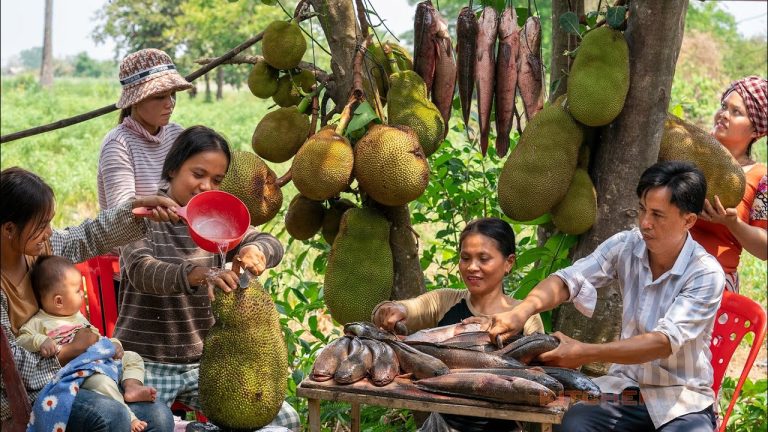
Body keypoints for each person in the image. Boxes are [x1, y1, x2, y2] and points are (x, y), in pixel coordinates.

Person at [468, 161, 725, 431]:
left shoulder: (704, 273)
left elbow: (662, 342)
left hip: (682, 398)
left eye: (657, 215)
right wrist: (522, 311)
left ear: (688, 220)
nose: (645, 223)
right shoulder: (627, 245)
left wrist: (583, 353)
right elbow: (570, 279)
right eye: (642, 209)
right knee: (570, 425)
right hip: (626, 390)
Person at [113, 125, 300, 431]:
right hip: (144, 363)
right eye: (197, 174)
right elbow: (142, 270)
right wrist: (199, 273)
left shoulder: (218, 219)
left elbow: (269, 241)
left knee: (286, 420)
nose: (205, 186)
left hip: (205, 364)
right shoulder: (144, 217)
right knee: (150, 424)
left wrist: (257, 250)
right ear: (173, 169)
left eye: (217, 180)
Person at [1, 166, 179, 430]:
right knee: (109, 416)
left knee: (158, 416)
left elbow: (88, 236)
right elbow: (11, 369)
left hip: (78, 372)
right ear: (8, 229)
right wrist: (70, 351)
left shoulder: (41, 249)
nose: (49, 232)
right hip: (27, 393)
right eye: (41, 225)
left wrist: (138, 210)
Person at [373, 217, 545, 432]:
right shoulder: (445, 301)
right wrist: (389, 310)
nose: (472, 267)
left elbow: (539, 374)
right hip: (442, 426)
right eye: (465, 258)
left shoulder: (524, 316)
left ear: (508, 263)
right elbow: (407, 308)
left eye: (484, 259)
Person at [18, 256, 157, 432]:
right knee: (102, 383)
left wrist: (114, 344)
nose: (82, 293)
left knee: (132, 357)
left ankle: (132, 387)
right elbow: (22, 339)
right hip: (83, 372)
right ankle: (130, 417)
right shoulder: (39, 322)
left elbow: (98, 337)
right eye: (77, 291)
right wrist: (41, 341)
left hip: (101, 361)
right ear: (59, 301)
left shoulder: (78, 318)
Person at [691, 75, 767, 293]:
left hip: (710, 282)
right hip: (662, 264)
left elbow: (764, 249)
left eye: (736, 112)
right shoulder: (692, 149)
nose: (724, 114)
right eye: (724, 106)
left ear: (755, 131)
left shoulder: (761, 178)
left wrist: (732, 223)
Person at [97, 47, 193, 211]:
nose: (170, 103)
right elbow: (121, 213)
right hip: (137, 237)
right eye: (160, 96)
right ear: (135, 100)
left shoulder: (177, 134)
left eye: (173, 94)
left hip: (175, 234)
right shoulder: (118, 145)